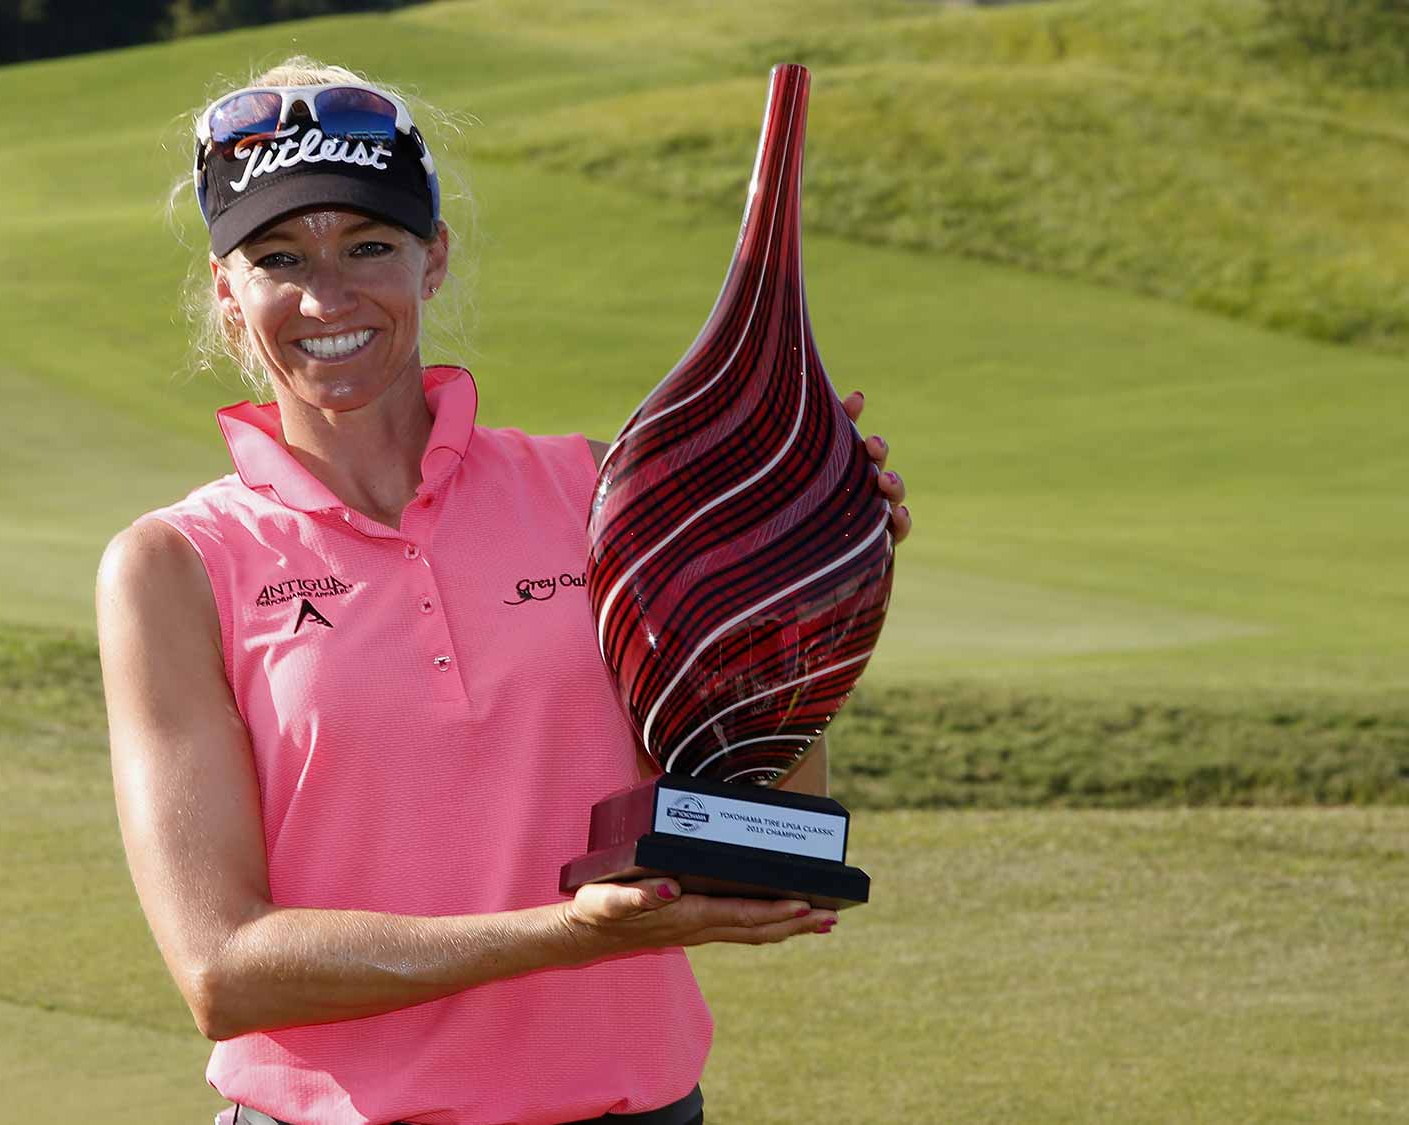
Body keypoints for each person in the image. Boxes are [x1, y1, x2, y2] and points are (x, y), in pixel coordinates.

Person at [97, 58, 913, 1125]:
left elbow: (772, 826)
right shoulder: (172, 566)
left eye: (369, 246)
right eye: (277, 257)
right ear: (225, 287)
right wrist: (562, 934)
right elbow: (223, 971)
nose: (324, 297)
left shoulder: (591, 489)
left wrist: (795, 594)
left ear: (431, 259)